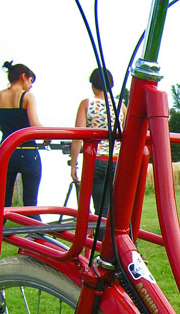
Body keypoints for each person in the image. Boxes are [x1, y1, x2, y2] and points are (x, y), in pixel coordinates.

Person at [69, 68, 127, 218]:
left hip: (96, 160)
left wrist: (74, 163)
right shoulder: (120, 106)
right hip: (116, 161)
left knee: (101, 210)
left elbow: (77, 136)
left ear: (93, 85)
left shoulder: (87, 104)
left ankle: (101, 241)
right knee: (119, 208)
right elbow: (128, 135)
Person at [0, 61, 45, 219]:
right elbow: (34, 125)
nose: (30, 86)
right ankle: (37, 238)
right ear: (24, 77)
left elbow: (0, 126)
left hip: (6, 152)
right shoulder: (27, 97)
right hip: (28, 151)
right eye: (30, 82)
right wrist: (47, 136)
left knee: (1, 205)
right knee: (30, 205)